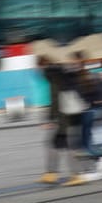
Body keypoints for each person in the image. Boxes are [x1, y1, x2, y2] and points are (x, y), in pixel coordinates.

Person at [32, 39, 80, 184]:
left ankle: (74, 175)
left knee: (61, 144)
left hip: (63, 117)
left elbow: (55, 99)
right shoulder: (64, 72)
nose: (36, 68)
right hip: (71, 114)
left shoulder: (54, 76)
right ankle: (54, 173)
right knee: (61, 144)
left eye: (37, 64)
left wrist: (50, 119)